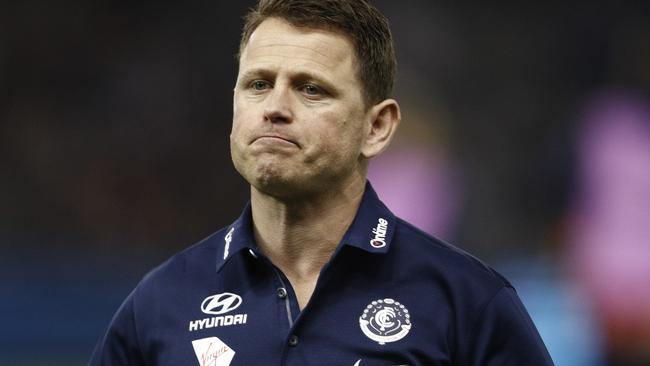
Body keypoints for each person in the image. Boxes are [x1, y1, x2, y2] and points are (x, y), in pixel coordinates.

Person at [90, 0, 554, 365]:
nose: (275, 106)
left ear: (377, 128)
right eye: (257, 84)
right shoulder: (159, 304)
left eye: (311, 89)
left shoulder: (468, 302)